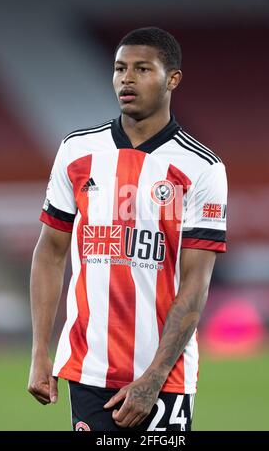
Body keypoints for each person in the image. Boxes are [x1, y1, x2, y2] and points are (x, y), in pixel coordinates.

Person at [28, 26, 227, 431]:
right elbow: (50, 252)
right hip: (88, 370)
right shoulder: (77, 151)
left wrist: (153, 378)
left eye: (142, 69)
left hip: (164, 378)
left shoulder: (202, 168)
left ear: (173, 79)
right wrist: (39, 352)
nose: (127, 79)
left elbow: (195, 284)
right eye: (120, 68)